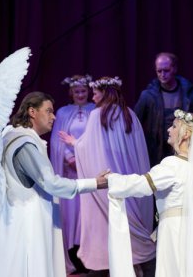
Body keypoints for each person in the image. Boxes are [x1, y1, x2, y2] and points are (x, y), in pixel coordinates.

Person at [0, 92, 108, 277]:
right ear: (32, 112)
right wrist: (94, 183)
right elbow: (50, 183)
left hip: (16, 216)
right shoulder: (23, 142)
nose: (54, 117)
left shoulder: (12, 135)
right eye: (49, 111)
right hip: (28, 220)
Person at [106, 109, 193, 277]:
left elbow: (142, 185)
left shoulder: (172, 164)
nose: (169, 130)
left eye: (174, 126)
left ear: (186, 135)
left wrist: (112, 180)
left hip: (176, 231)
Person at [59, 76, 156, 276]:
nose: (92, 97)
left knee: (109, 220)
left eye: (95, 93)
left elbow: (89, 148)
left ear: (105, 93)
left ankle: (112, 262)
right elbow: (138, 152)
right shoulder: (129, 114)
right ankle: (138, 263)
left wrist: (74, 143)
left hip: (111, 179)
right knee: (129, 220)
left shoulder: (97, 115)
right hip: (130, 180)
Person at [50, 74, 94, 273]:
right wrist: (70, 158)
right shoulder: (63, 112)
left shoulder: (95, 110)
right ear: (71, 93)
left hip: (89, 168)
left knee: (87, 212)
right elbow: (57, 139)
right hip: (70, 171)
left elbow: (96, 139)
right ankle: (71, 256)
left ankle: (90, 256)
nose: (80, 95)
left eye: (83, 91)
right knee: (71, 211)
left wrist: (84, 159)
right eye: (76, 91)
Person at [135, 52, 193, 167]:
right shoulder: (148, 96)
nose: (162, 74)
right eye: (159, 71)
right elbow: (135, 123)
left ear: (174, 69)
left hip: (185, 150)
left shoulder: (191, 94)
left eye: (166, 70)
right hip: (156, 153)